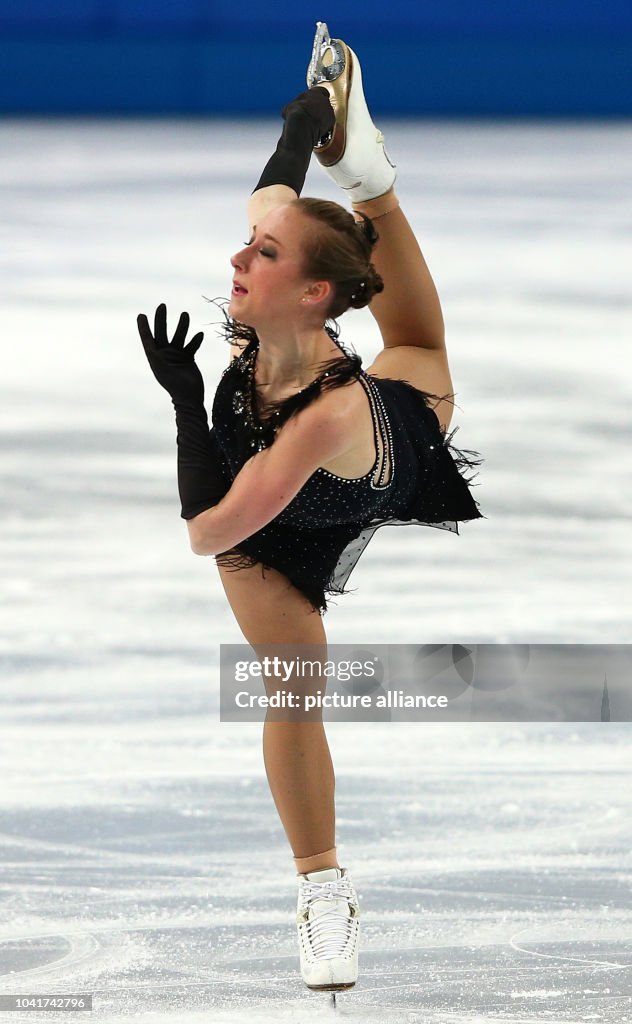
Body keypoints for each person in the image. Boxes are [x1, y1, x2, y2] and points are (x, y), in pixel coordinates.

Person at [137, 22, 483, 995]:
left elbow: (211, 525)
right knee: (291, 683)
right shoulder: (272, 306)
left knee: (415, 343)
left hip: (371, 453)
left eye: (262, 254)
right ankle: (320, 890)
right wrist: (305, 122)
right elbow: (276, 189)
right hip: (260, 475)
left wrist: (183, 419)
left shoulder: (329, 415)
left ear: (314, 295)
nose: (238, 256)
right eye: (247, 247)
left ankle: (371, 176)